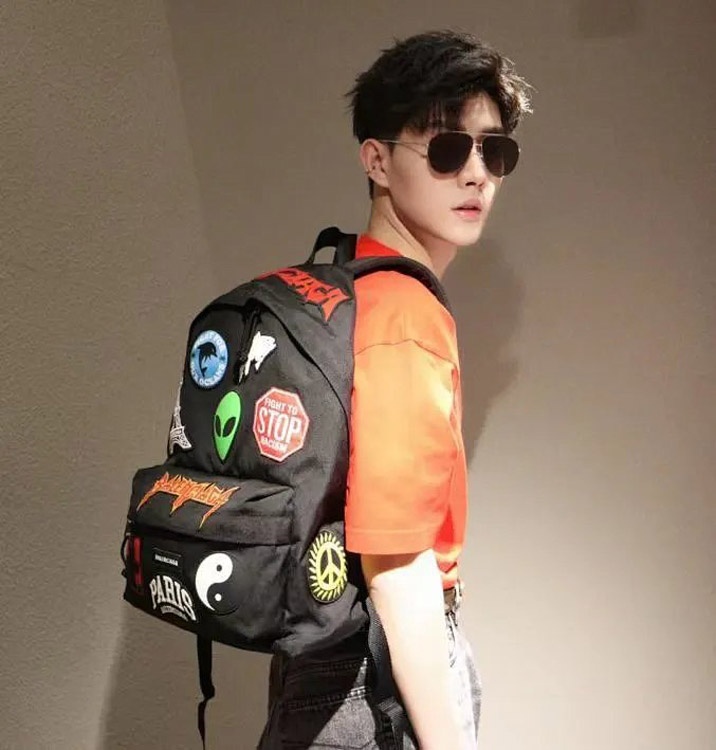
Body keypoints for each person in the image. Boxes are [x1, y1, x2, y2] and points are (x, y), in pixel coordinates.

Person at [258, 29, 531, 750]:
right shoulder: (406, 314)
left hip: (323, 661)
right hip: (377, 674)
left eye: (494, 152)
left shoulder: (343, 277)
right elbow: (398, 562)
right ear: (376, 160)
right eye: (447, 149)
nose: (476, 174)